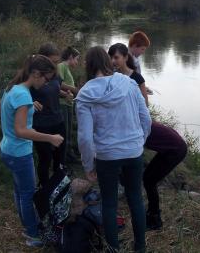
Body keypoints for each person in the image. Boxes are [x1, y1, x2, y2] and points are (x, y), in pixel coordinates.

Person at [76, 46, 151, 252]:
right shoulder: (129, 83)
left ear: (89, 66)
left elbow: (84, 136)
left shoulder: (85, 93)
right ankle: (140, 247)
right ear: (108, 63)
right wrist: (139, 142)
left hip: (107, 155)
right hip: (133, 151)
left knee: (109, 203)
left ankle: (113, 249)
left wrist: (88, 164)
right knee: (135, 197)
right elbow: (146, 118)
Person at [108, 43, 188, 230]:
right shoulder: (132, 125)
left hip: (176, 150)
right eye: (110, 58)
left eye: (116, 57)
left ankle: (155, 218)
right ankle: (151, 214)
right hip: (170, 147)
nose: (113, 61)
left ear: (126, 57)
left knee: (149, 180)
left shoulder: (136, 126)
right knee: (147, 178)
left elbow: (143, 108)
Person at [0, 55, 64, 247]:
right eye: (46, 78)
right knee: (27, 194)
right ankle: (34, 235)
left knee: (20, 192)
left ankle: (28, 226)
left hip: (7, 150)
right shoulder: (23, 94)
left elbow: (0, 111)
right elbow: (21, 131)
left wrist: (28, 110)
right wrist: (50, 137)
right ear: (36, 74)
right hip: (19, 153)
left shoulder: (12, 88)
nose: (45, 83)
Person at [30, 43, 68, 187]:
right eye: (53, 61)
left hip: (58, 121)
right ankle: (44, 187)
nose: (55, 64)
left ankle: (60, 185)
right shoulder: (33, 76)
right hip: (41, 124)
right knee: (45, 158)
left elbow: (56, 89)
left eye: (57, 61)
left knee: (60, 156)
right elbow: (18, 92)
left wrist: (66, 94)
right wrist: (30, 102)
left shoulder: (55, 74)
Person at [57, 46, 80, 163]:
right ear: (70, 57)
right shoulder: (61, 66)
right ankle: (64, 158)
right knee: (65, 130)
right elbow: (59, 84)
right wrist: (74, 89)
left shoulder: (67, 68)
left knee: (69, 130)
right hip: (63, 103)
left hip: (69, 104)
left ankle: (69, 154)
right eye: (76, 59)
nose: (77, 62)